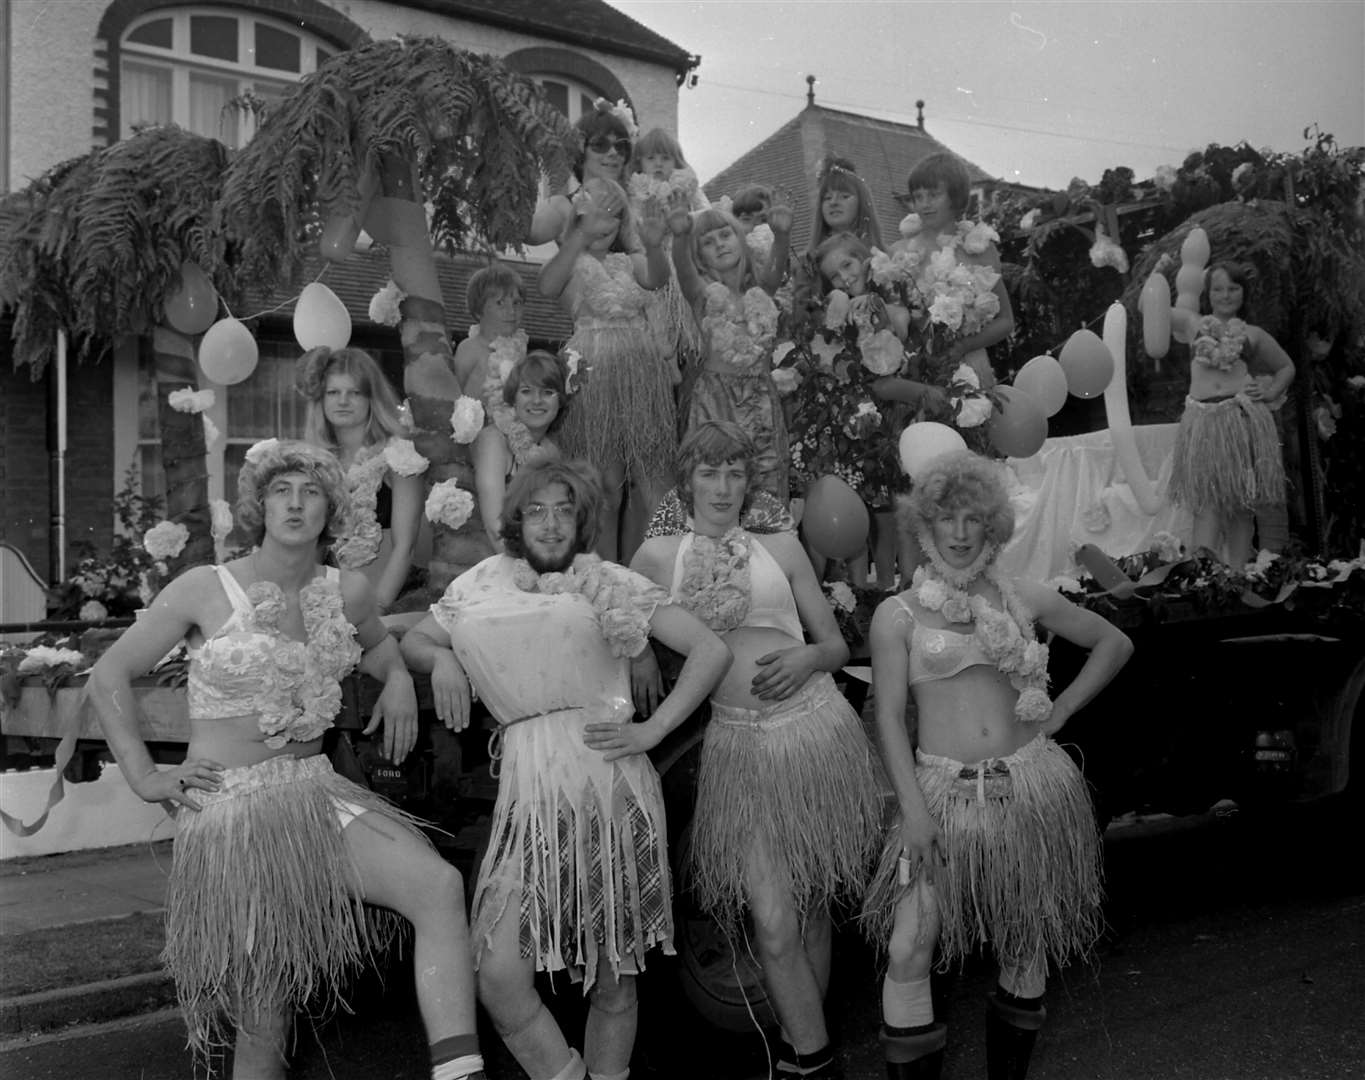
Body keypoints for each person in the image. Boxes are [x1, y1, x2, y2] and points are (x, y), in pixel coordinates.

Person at [86, 440, 485, 1080]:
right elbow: (110, 673)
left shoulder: (346, 590)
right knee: (265, 1015)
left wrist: (405, 678)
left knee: (438, 886)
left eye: (311, 492)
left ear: (330, 509)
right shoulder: (205, 588)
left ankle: (460, 1073)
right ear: (260, 505)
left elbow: (379, 646)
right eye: (281, 490)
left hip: (315, 792)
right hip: (233, 810)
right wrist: (144, 775)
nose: (295, 504)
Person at [400, 460, 731, 1080]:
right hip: (527, 791)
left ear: (581, 520)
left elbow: (711, 649)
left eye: (564, 510)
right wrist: (440, 660)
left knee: (615, 981)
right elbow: (419, 637)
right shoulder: (480, 580)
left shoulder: (609, 581)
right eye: (536, 510)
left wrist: (655, 730)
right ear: (516, 519)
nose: (550, 524)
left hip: (608, 783)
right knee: (498, 976)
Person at [863, 451, 1133, 1080]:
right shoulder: (896, 616)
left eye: (972, 519)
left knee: (1024, 941)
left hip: (1026, 790)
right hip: (939, 798)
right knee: (908, 947)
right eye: (945, 519)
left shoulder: (1024, 599)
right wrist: (913, 812)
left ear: (992, 527)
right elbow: (887, 720)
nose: (959, 533)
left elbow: (1114, 643)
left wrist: (1061, 709)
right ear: (923, 526)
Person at [631, 422, 883, 1080]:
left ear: (750, 482)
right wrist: (637, 662)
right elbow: (615, 617)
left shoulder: (782, 546)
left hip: (810, 733)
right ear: (686, 481)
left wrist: (807, 656)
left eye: (734, 473)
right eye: (709, 474)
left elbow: (834, 645)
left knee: (809, 910)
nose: (722, 487)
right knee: (770, 919)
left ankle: (807, 1058)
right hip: (736, 749)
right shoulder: (657, 556)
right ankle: (812, 1051)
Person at [539, 176, 674, 563]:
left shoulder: (629, 261)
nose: (604, 223)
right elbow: (547, 286)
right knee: (606, 486)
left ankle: (658, 573)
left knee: (653, 481)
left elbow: (657, 278)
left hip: (641, 376)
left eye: (614, 216)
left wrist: (652, 244)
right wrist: (578, 238)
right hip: (594, 375)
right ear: (579, 215)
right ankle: (604, 573)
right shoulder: (571, 261)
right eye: (595, 213)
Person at [1172, 261, 1295, 563]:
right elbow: (1150, 308)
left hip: (1238, 421)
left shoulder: (1252, 334)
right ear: (1207, 293)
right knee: (1207, 502)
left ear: (1243, 292)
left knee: (1240, 501)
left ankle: (1237, 577)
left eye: (1233, 288)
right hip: (1202, 422)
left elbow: (1286, 367)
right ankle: (1203, 576)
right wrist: (1159, 274)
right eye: (1218, 289)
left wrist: (1269, 392)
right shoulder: (1193, 324)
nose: (1225, 295)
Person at [668, 201, 791, 500]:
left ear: (740, 238)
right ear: (699, 255)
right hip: (716, 400)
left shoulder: (759, 292)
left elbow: (776, 272)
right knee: (716, 480)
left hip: (761, 398)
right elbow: (684, 273)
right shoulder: (703, 294)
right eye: (707, 242)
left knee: (768, 480)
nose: (719, 245)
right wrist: (681, 238)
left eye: (725, 235)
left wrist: (782, 236)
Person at [298, 347, 427, 614]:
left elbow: (407, 546)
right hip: (333, 601)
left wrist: (377, 609)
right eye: (333, 392)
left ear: (372, 398)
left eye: (355, 392)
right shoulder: (314, 462)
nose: (343, 401)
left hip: (395, 599)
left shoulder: (398, 454)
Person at [893, 152, 1014, 389]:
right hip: (915, 371)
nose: (924, 203)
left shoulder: (979, 249)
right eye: (918, 196)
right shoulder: (899, 252)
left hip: (968, 365)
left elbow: (1006, 321)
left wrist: (964, 346)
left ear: (955, 197)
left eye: (934, 194)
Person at [473, 349, 568, 552]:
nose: (536, 400)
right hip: (494, 560)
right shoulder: (494, 441)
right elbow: (495, 528)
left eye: (547, 392)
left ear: (560, 402)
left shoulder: (553, 449)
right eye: (526, 391)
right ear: (512, 398)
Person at [529, 99, 636, 247]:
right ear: (580, 151)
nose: (613, 152)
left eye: (621, 146)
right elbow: (529, 232)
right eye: (600, 145)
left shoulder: (637, 208)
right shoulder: (564, 207)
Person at [454, 260, 527, 402]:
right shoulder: (470, 348)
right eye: (500, 303)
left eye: (516, 303)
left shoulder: (520, 350)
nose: (511, 311)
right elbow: (452, 393)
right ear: (478, 310)